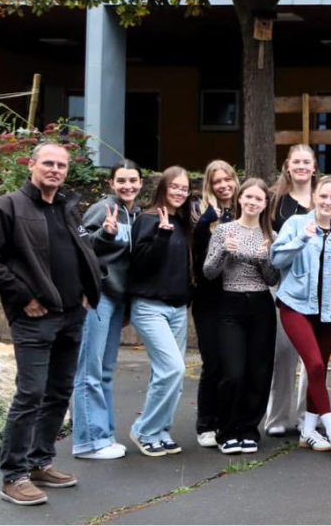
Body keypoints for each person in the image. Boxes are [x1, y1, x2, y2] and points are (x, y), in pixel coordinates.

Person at [0, 142, 101, 506]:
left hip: (71, 316)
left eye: (61, 165)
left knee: (59, 392)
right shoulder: (7, 206)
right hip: (35, 318)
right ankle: (13, 476)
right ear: (31, 165)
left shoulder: (67, 208)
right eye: (48, 163)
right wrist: (23, 296)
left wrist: (87, 289)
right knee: (30, 394)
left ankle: (38, 462)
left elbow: (85, 252)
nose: (55, 170)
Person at [271, 176, 331, 454]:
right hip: (294, 305)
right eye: (324, 196)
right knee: (315, 365)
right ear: (314, 197)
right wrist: (301, 239)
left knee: (317, 369)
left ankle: (308, 431)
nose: (328, 202)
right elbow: (277, 261)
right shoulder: (296, 224)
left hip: (326, 311)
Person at [202, 178, 280, 455]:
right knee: (233, 372)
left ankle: (248, 429)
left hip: (260, 305)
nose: (252, 202)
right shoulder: (224, 231)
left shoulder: (270, 235)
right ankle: (227, 429)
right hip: (230, 304)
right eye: (248, 197)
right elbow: (209, 272)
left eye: (259, 199)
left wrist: (264, 259)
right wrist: (225, 251)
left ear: (265, 204)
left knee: (258, 372)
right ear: (240, 199)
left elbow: (272, 278)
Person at [70, 159, 142, 460]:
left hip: (118, 300)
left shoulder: (137, 214)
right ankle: (87, 441)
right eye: (121, 180)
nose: (128, 186)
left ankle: (104, 435)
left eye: (133, 180)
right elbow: (81, 248)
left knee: (106, 370)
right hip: (98, 298)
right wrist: (106, 234)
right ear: (111, 183)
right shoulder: (103, 209)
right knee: (89, 370)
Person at [127, 166, 196, 457]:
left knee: (168, 375)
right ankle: (144, 429)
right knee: (173, 368)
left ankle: (160, 430)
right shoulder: (149, 219)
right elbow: (138, 265)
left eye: (184, 188)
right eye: (175, 187)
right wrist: (161, 237)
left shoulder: (183, 222)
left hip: (177, 308)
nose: (180, 192)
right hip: (150, 307)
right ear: (163, 188)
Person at [263, 145, 316, 438]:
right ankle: (278, 416)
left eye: (306, 162)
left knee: (312, 357)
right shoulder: (276, 201)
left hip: (316, 288)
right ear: (287, 166)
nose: (301, 166)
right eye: (296, 161)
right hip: (283, 285)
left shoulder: (323, 199)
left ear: (314, 166)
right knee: (282, 353)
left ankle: (306, 416)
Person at [189, 159, 238, 448]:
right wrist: (207, 224)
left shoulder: (243, 209)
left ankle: (226, 419)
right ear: (210, 184)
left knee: (233, 363)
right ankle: (206, 423)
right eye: (217, 181)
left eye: (227, 179)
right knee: (213, 362)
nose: (223, 185)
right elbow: (198, 257)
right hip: (208, 298)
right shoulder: (202, 214)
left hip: (236, 297)